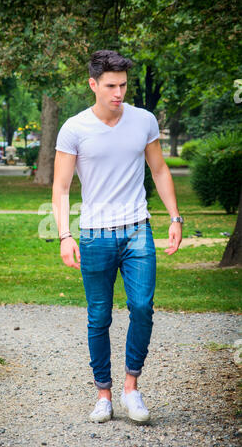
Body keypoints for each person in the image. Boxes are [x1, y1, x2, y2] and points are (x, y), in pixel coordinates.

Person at [52, 50, 183, 423]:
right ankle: (104, 395)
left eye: (123, 85)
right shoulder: (74, 128)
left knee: (141, 307)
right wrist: (64, 234)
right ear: (93, 84)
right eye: (110, 86)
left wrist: (175, 217)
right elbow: (60, 187)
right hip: (94, 234)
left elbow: (159, 170)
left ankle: (131, 388)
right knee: (99, 316)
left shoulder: (143, 121)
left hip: (137, 230)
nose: (118, 93)